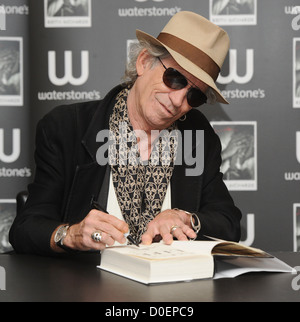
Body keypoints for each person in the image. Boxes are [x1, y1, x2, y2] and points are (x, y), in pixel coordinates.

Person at [9, 11, 242, 255]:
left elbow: (228, 222)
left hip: (171, 289)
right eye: (174, 78)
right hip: (87, 286)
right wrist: (71, 234)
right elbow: (26, 228)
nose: (177, 100)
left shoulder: (198, 136)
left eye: (195, 95)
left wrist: (187, 219)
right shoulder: (66, 126)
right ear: (143, 62)